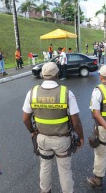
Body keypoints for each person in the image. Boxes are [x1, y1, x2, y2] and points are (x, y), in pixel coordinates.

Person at [22, 62, 84, 193]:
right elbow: (76, 121)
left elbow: (25, 118)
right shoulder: (66, 92)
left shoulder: (32, 93)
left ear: (43, 74)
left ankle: (45, 191)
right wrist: (81, 136)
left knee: (44, 167)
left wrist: (33, 132)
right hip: (62, 139)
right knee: (65, 170)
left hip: (42, 138)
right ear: (57, 74)